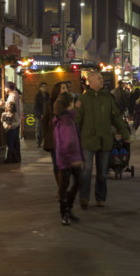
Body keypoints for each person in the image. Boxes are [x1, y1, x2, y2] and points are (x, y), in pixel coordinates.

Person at [75, 71, 130, 209]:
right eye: (99, 78)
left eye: (101, 78)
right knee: (86, 171)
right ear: (91, 82)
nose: (102, 80)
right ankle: (84, 197)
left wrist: (125, 134)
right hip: (88, 140)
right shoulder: (83, 99)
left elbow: (116, 117)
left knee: (102, 172)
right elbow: (77, 121)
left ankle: (101, 198)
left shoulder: (107, 98)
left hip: (104, 140)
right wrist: (75, 139)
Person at [53, 92, 84, 226]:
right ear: (70, 103)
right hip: (67, 158)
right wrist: (74, 158)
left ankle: (67, 210)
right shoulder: (65, 119)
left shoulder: (65, 117)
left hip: (67, 157)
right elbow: (68, 141)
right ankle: (65, 212)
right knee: (67, 185)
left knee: (75, 182)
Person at [42, 82, 70, 194]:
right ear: (57, 90)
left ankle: (63, 187)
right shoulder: (50, 104)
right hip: (54, 138)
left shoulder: (70, 103)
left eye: (66, 88)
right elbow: (45, 120)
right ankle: (61, 189)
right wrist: (47, 134)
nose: (65, 90)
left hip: (68, 138)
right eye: (63, 88)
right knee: (57, 164)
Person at [2, 81, 22, 163]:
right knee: (14, 141)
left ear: (8, 88)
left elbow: (10, 107)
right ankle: (15, 158)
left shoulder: (12, 96)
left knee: (12, 142)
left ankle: (14, 158)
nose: (4, 89)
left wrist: (3, 105)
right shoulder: (14, 95)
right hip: (14, 121)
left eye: (5, 87)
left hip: (12, 122)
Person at [33, 82, 49, 148]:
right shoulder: (38, 95)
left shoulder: (48, 95)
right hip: (39, 115)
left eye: (45, 86)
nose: (44, 88)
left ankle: (47, 142)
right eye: (43, 86)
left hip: (47, 115)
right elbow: (36, 106)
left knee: (47, 129)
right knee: (38, 129)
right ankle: (38, 143)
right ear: (40, 88)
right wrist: (40, 114)